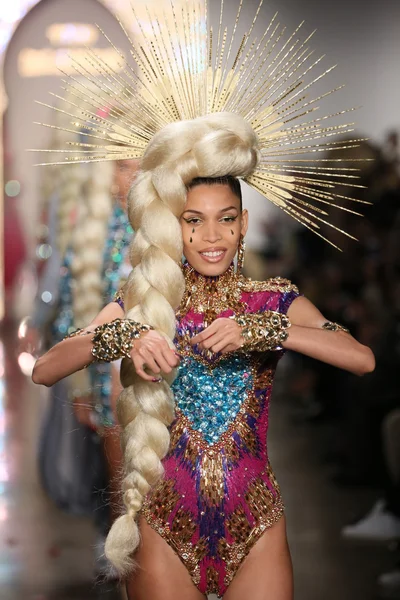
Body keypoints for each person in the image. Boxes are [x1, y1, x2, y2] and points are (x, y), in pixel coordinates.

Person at [32, 111, 375, 600]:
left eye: (226, 219)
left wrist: (264, 330)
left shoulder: (272, 298)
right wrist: (124, 336)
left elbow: (361, 358)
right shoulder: (144, 299)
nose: (211, 237)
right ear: (174, 225)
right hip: (162, 527)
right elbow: (47, 369)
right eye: (194, 221)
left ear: (244, 224)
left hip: (256, 524)